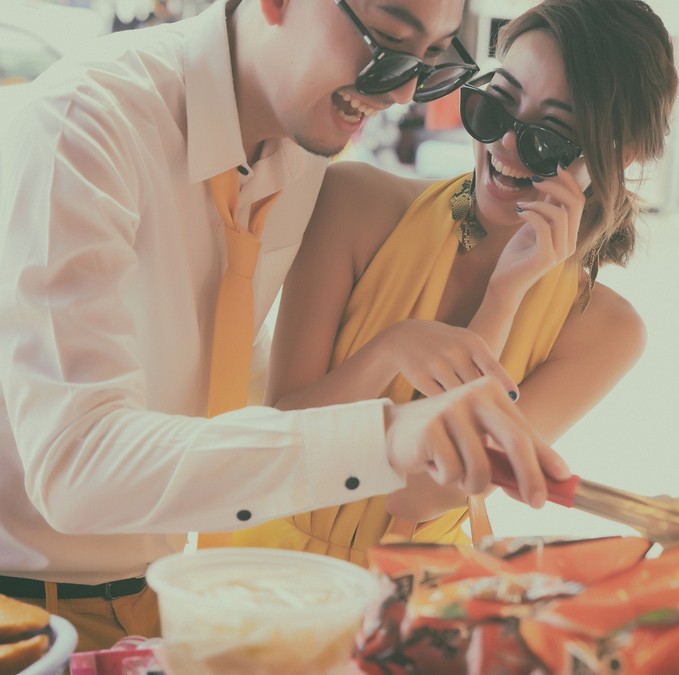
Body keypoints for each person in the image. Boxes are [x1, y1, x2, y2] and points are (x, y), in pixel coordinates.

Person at [0, 0, 571, 651]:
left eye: (433, 58)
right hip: (24, 608)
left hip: (160, 589)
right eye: (389, 41)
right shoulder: (84, 124)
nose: (402, 92)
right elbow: (75, 467)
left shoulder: (302, 147)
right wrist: (384, 435)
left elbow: (216, 363)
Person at [233, 0, 679, 564]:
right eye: (496, 105)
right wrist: (392, 348)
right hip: (264, 566)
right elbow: (282, 436)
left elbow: (418, 496)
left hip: (413, 596)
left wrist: (503, 298)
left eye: (550, 137)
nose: (505, 145)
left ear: (619, 156)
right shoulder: (355, 203)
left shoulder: (605, 332)